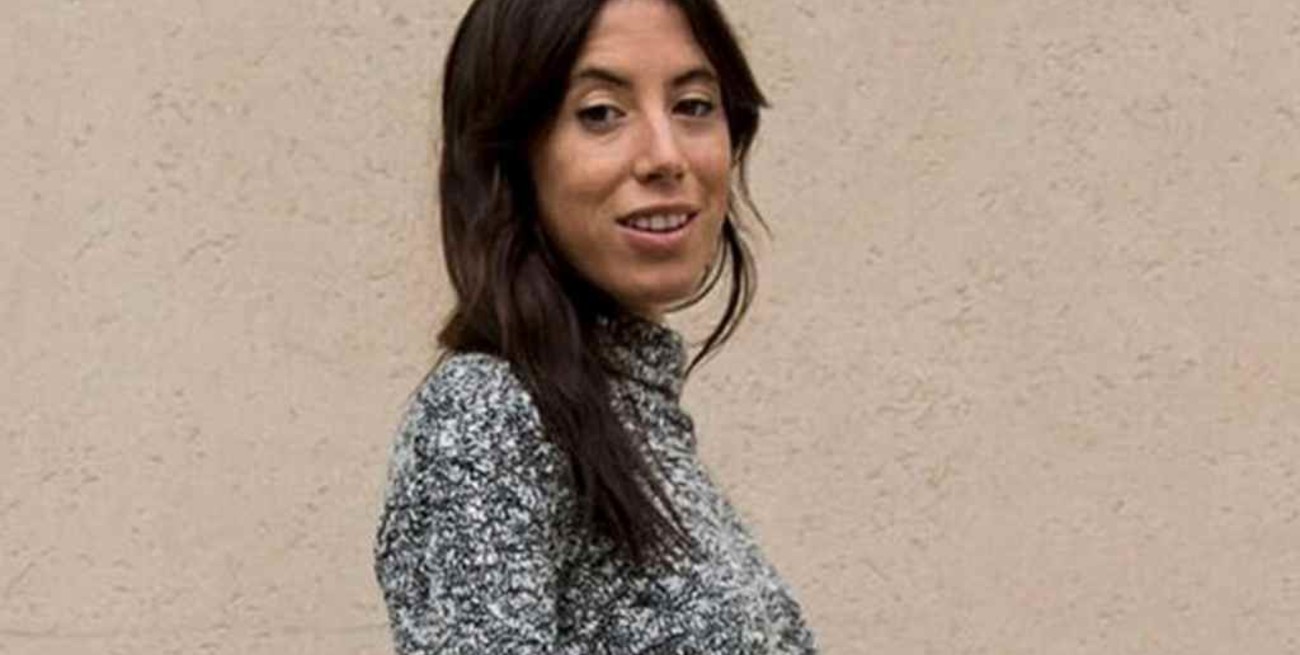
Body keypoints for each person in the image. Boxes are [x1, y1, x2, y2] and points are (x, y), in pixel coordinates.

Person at [373, 0, 819, 652]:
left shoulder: (634, 421)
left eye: (694, 105)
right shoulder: (491, 415)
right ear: (511, 157)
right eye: (601, 113)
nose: (665, 156)